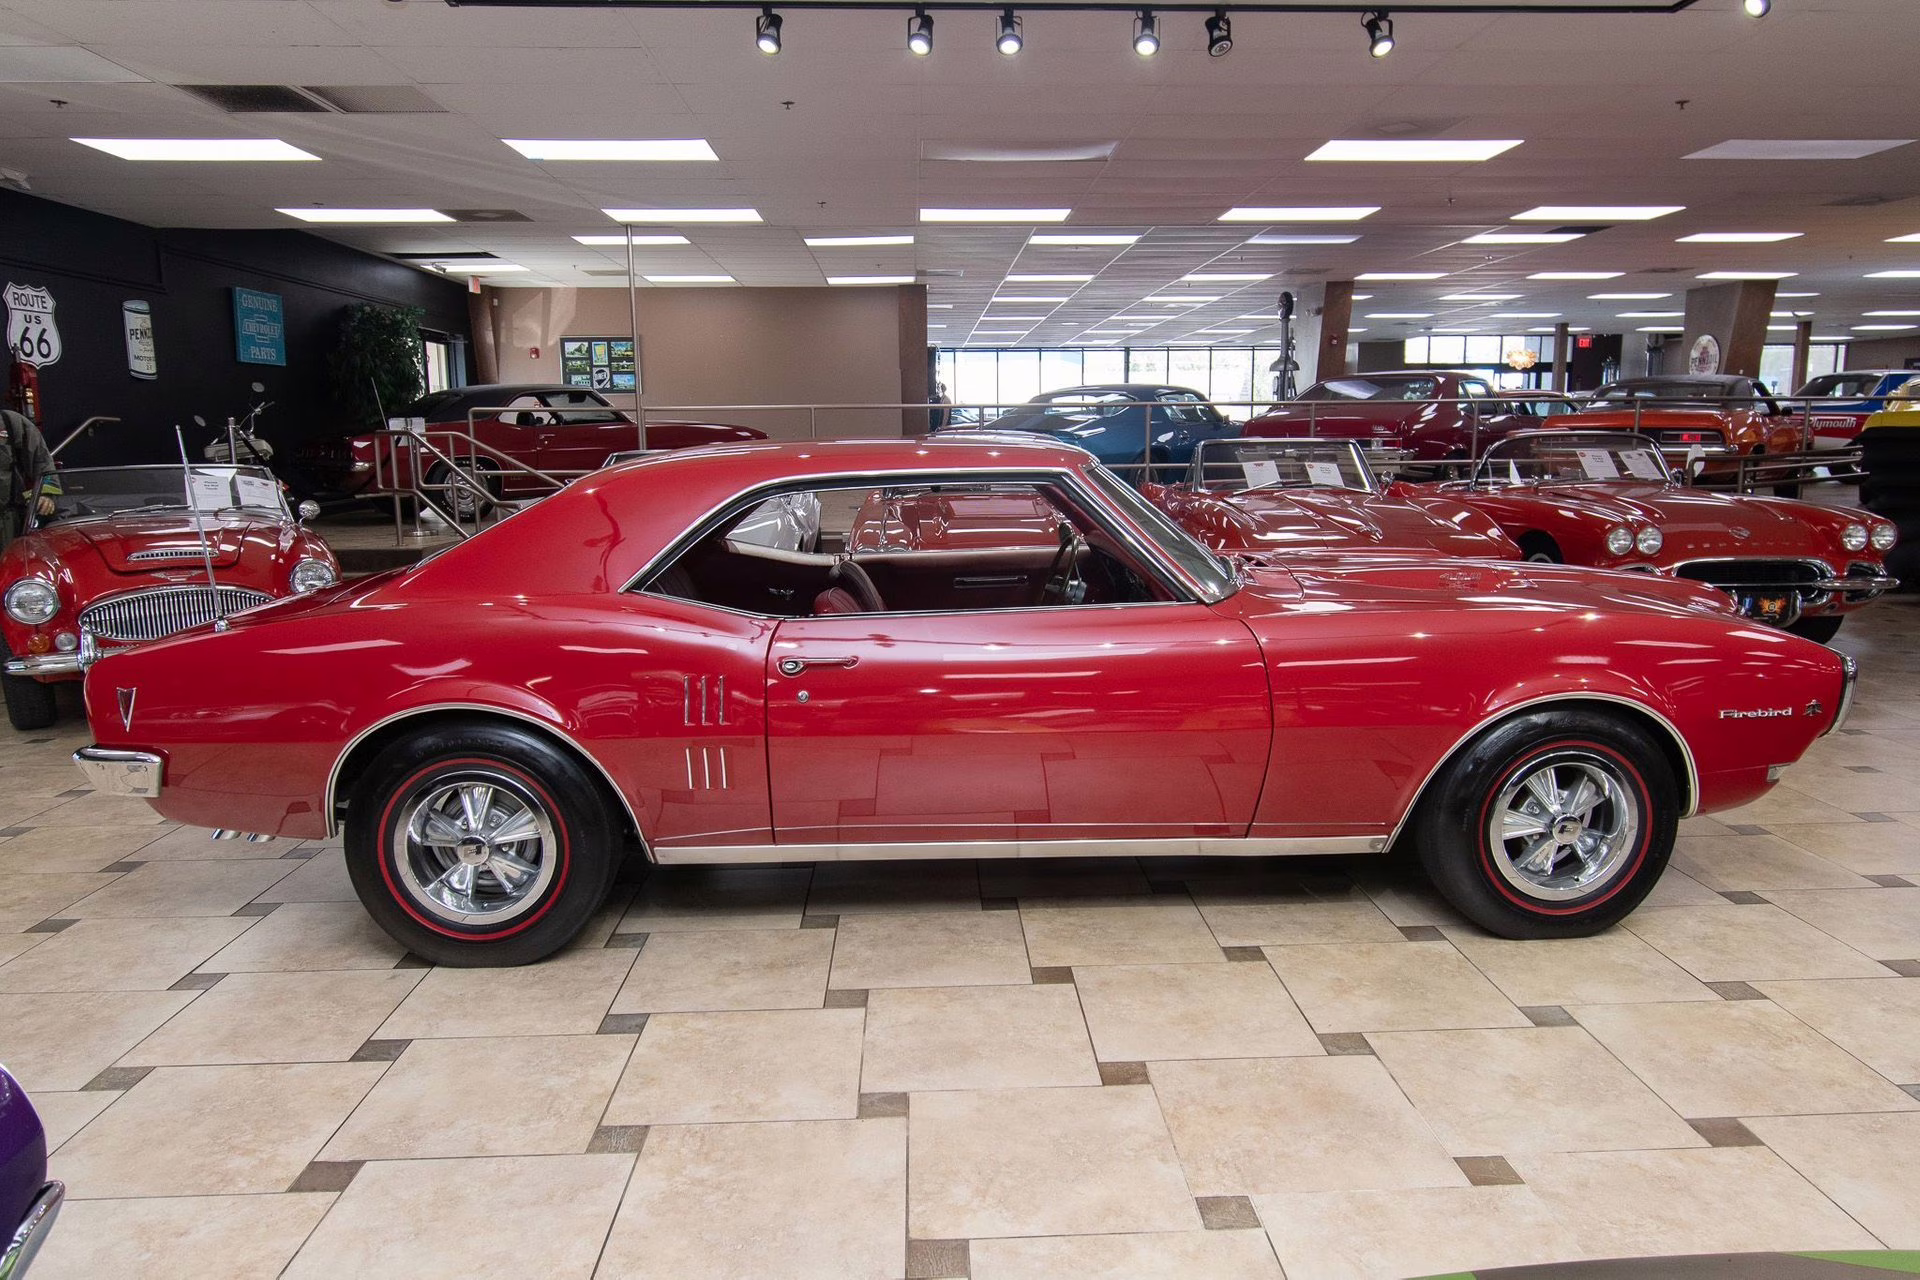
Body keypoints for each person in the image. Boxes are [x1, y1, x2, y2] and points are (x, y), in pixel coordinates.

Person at [1, 407, 60, 550]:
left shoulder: (10, 423)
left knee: (10, 567)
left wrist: (45, 494)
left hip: (7, 524)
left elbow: (41, 462)